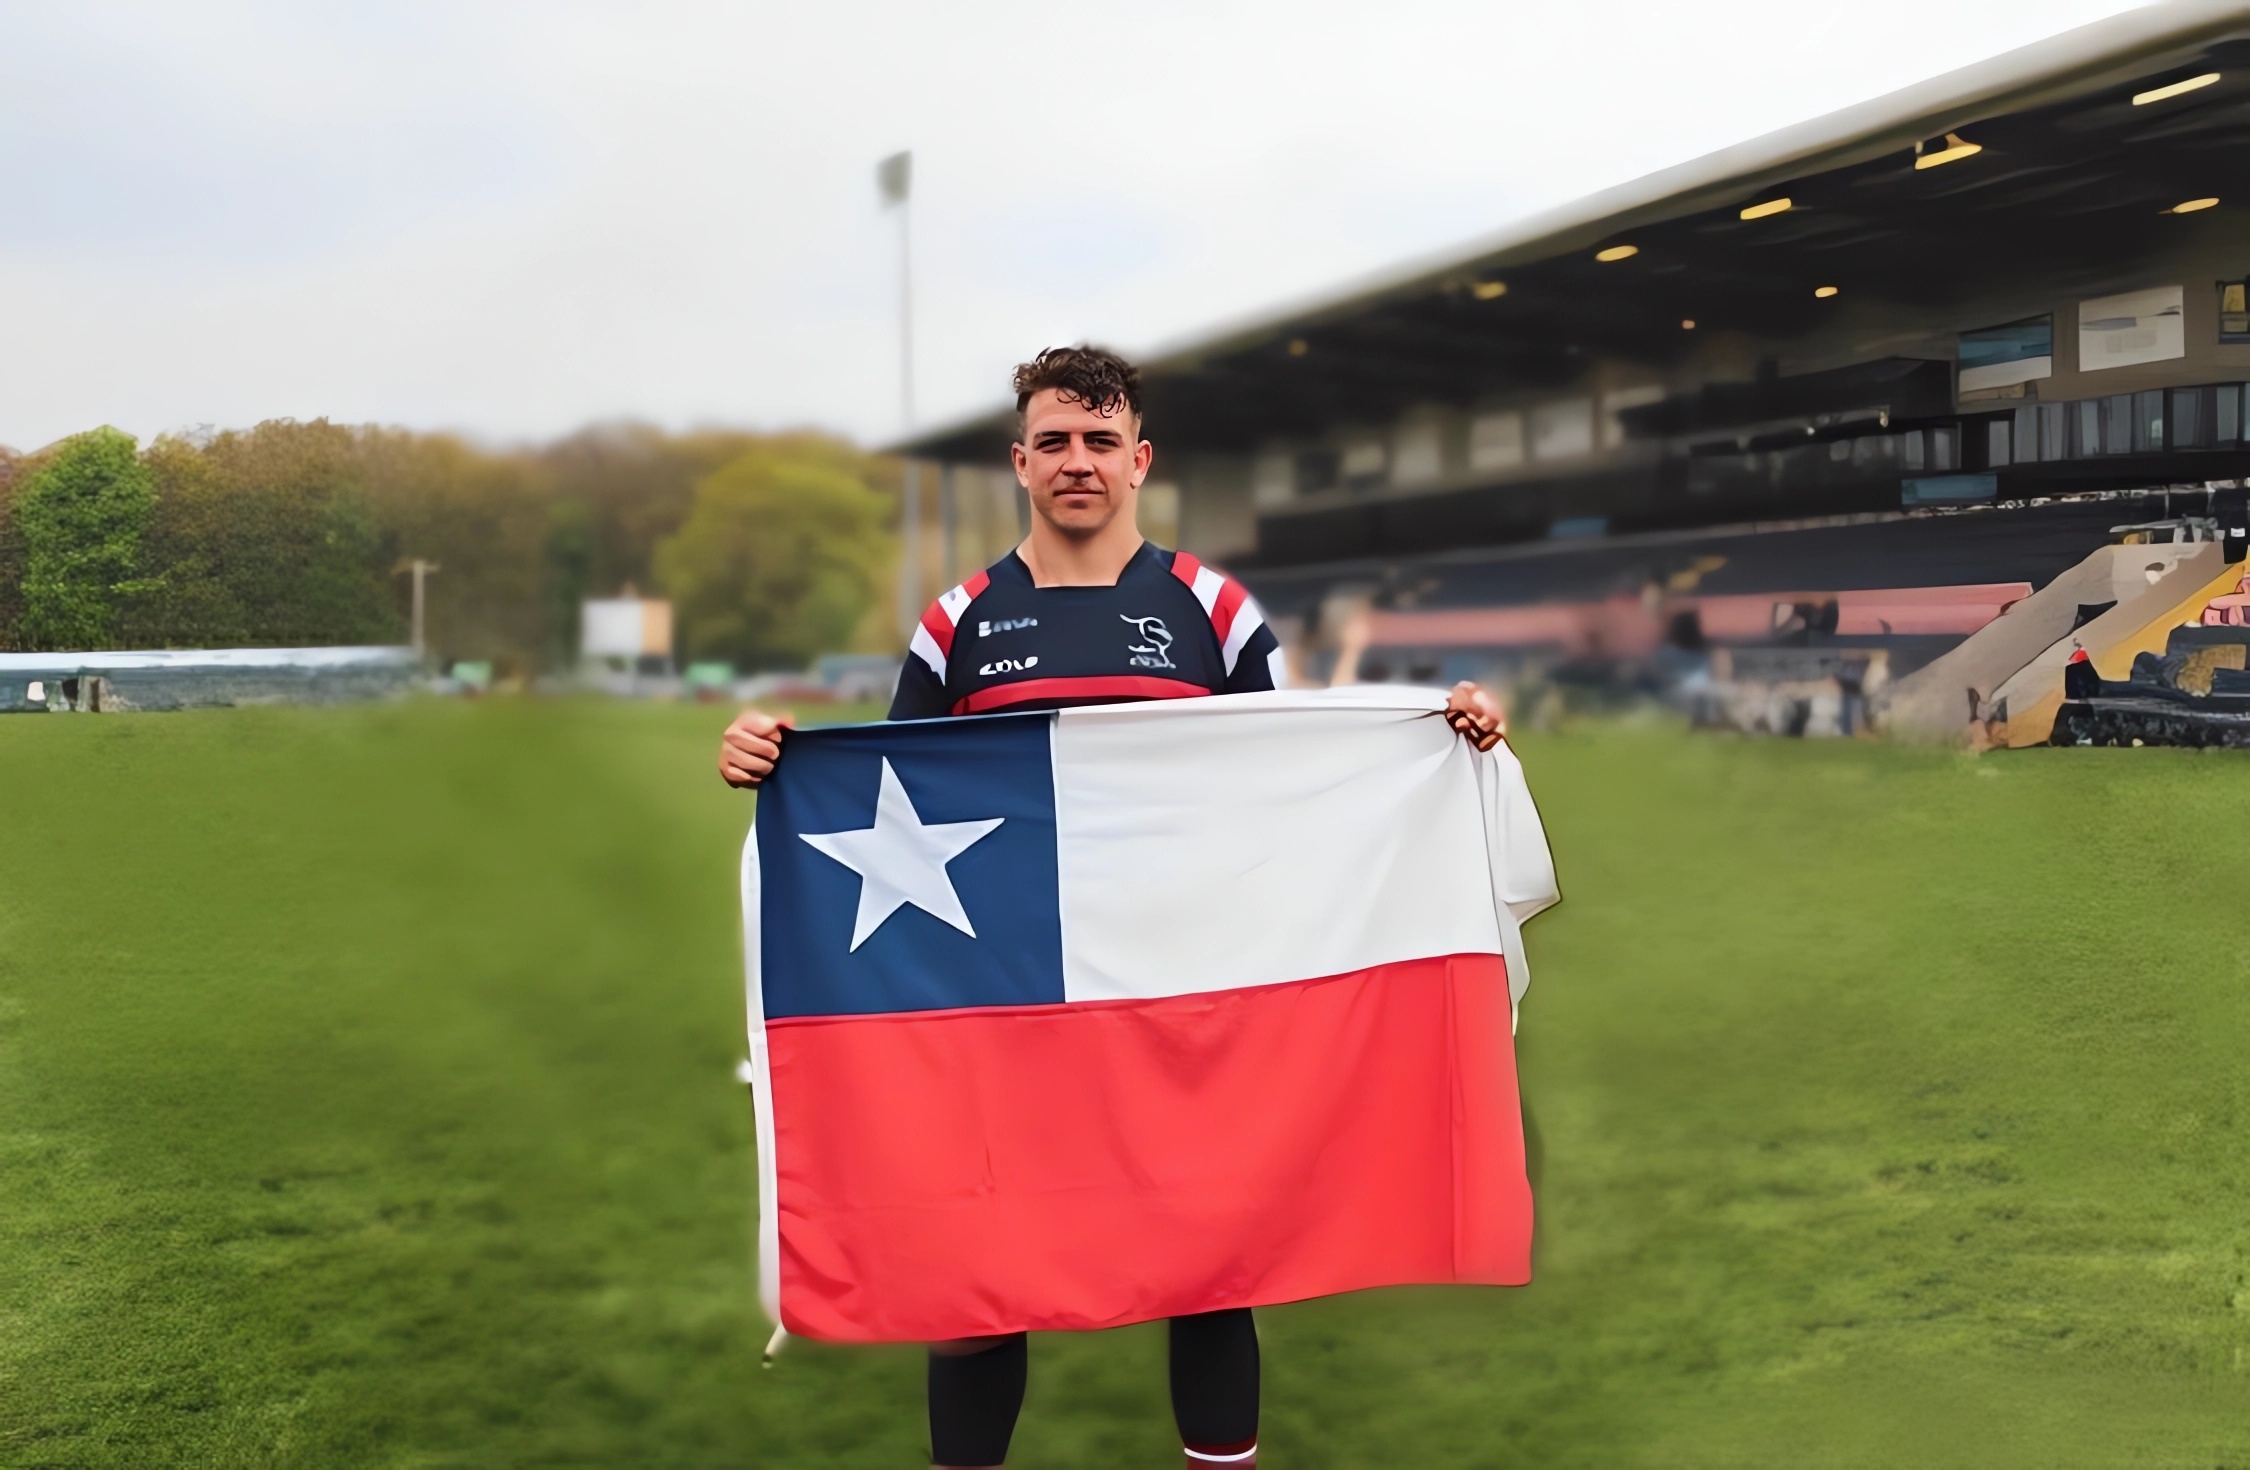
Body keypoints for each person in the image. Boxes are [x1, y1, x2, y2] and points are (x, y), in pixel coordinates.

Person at [720, 344, 1504, 1470]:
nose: (1076, 461)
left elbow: (1292, 776)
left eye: (1099, 441)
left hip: (1182, 987)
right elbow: (895, 787)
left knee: (1211, 1258)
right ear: (1020, 463)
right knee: (978, 1267)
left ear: (1140, 460)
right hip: (1008, 997)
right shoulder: (958, 623)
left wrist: (1438, 728)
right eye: (1054, 442)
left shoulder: (1213, 610)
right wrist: (769, 753)